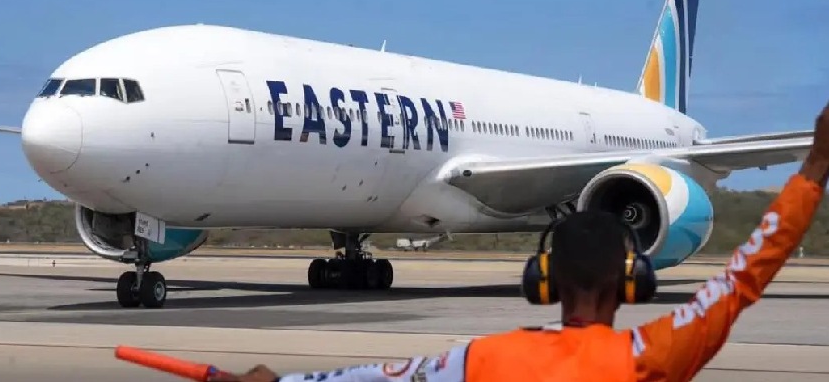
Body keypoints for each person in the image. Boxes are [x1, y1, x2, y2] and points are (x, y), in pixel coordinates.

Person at [209, 103, 829, 382]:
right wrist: (814, 168)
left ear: (543, 280)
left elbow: (384, 376)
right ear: (632, 279)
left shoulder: (483, 361)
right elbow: (743, 280)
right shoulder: (656, 355)